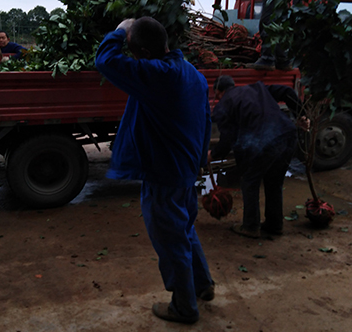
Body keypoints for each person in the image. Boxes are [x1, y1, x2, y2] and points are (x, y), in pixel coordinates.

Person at [95, 17, 214, 324]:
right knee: (184, 229)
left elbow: (105, 60)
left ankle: (184, 307)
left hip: (164, 173)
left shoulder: (156, 75)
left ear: (144, 54)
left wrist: (120, 30)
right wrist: (200, 160)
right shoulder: (192, 74)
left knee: (169, 238)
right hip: (186, 168)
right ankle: (202, 284)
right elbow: (206, 120)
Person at [208, 76, 308, 238]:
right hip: (288, 136)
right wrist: (301, 114)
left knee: (249, 181)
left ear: (218, 93)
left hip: (267, 141)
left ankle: (250, 226)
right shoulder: (257, 88)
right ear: (234, 85)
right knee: (274, 182)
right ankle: (274, 225)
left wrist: (213, 155)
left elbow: (227, 139)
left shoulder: (224, 105)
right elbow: (287, 91)